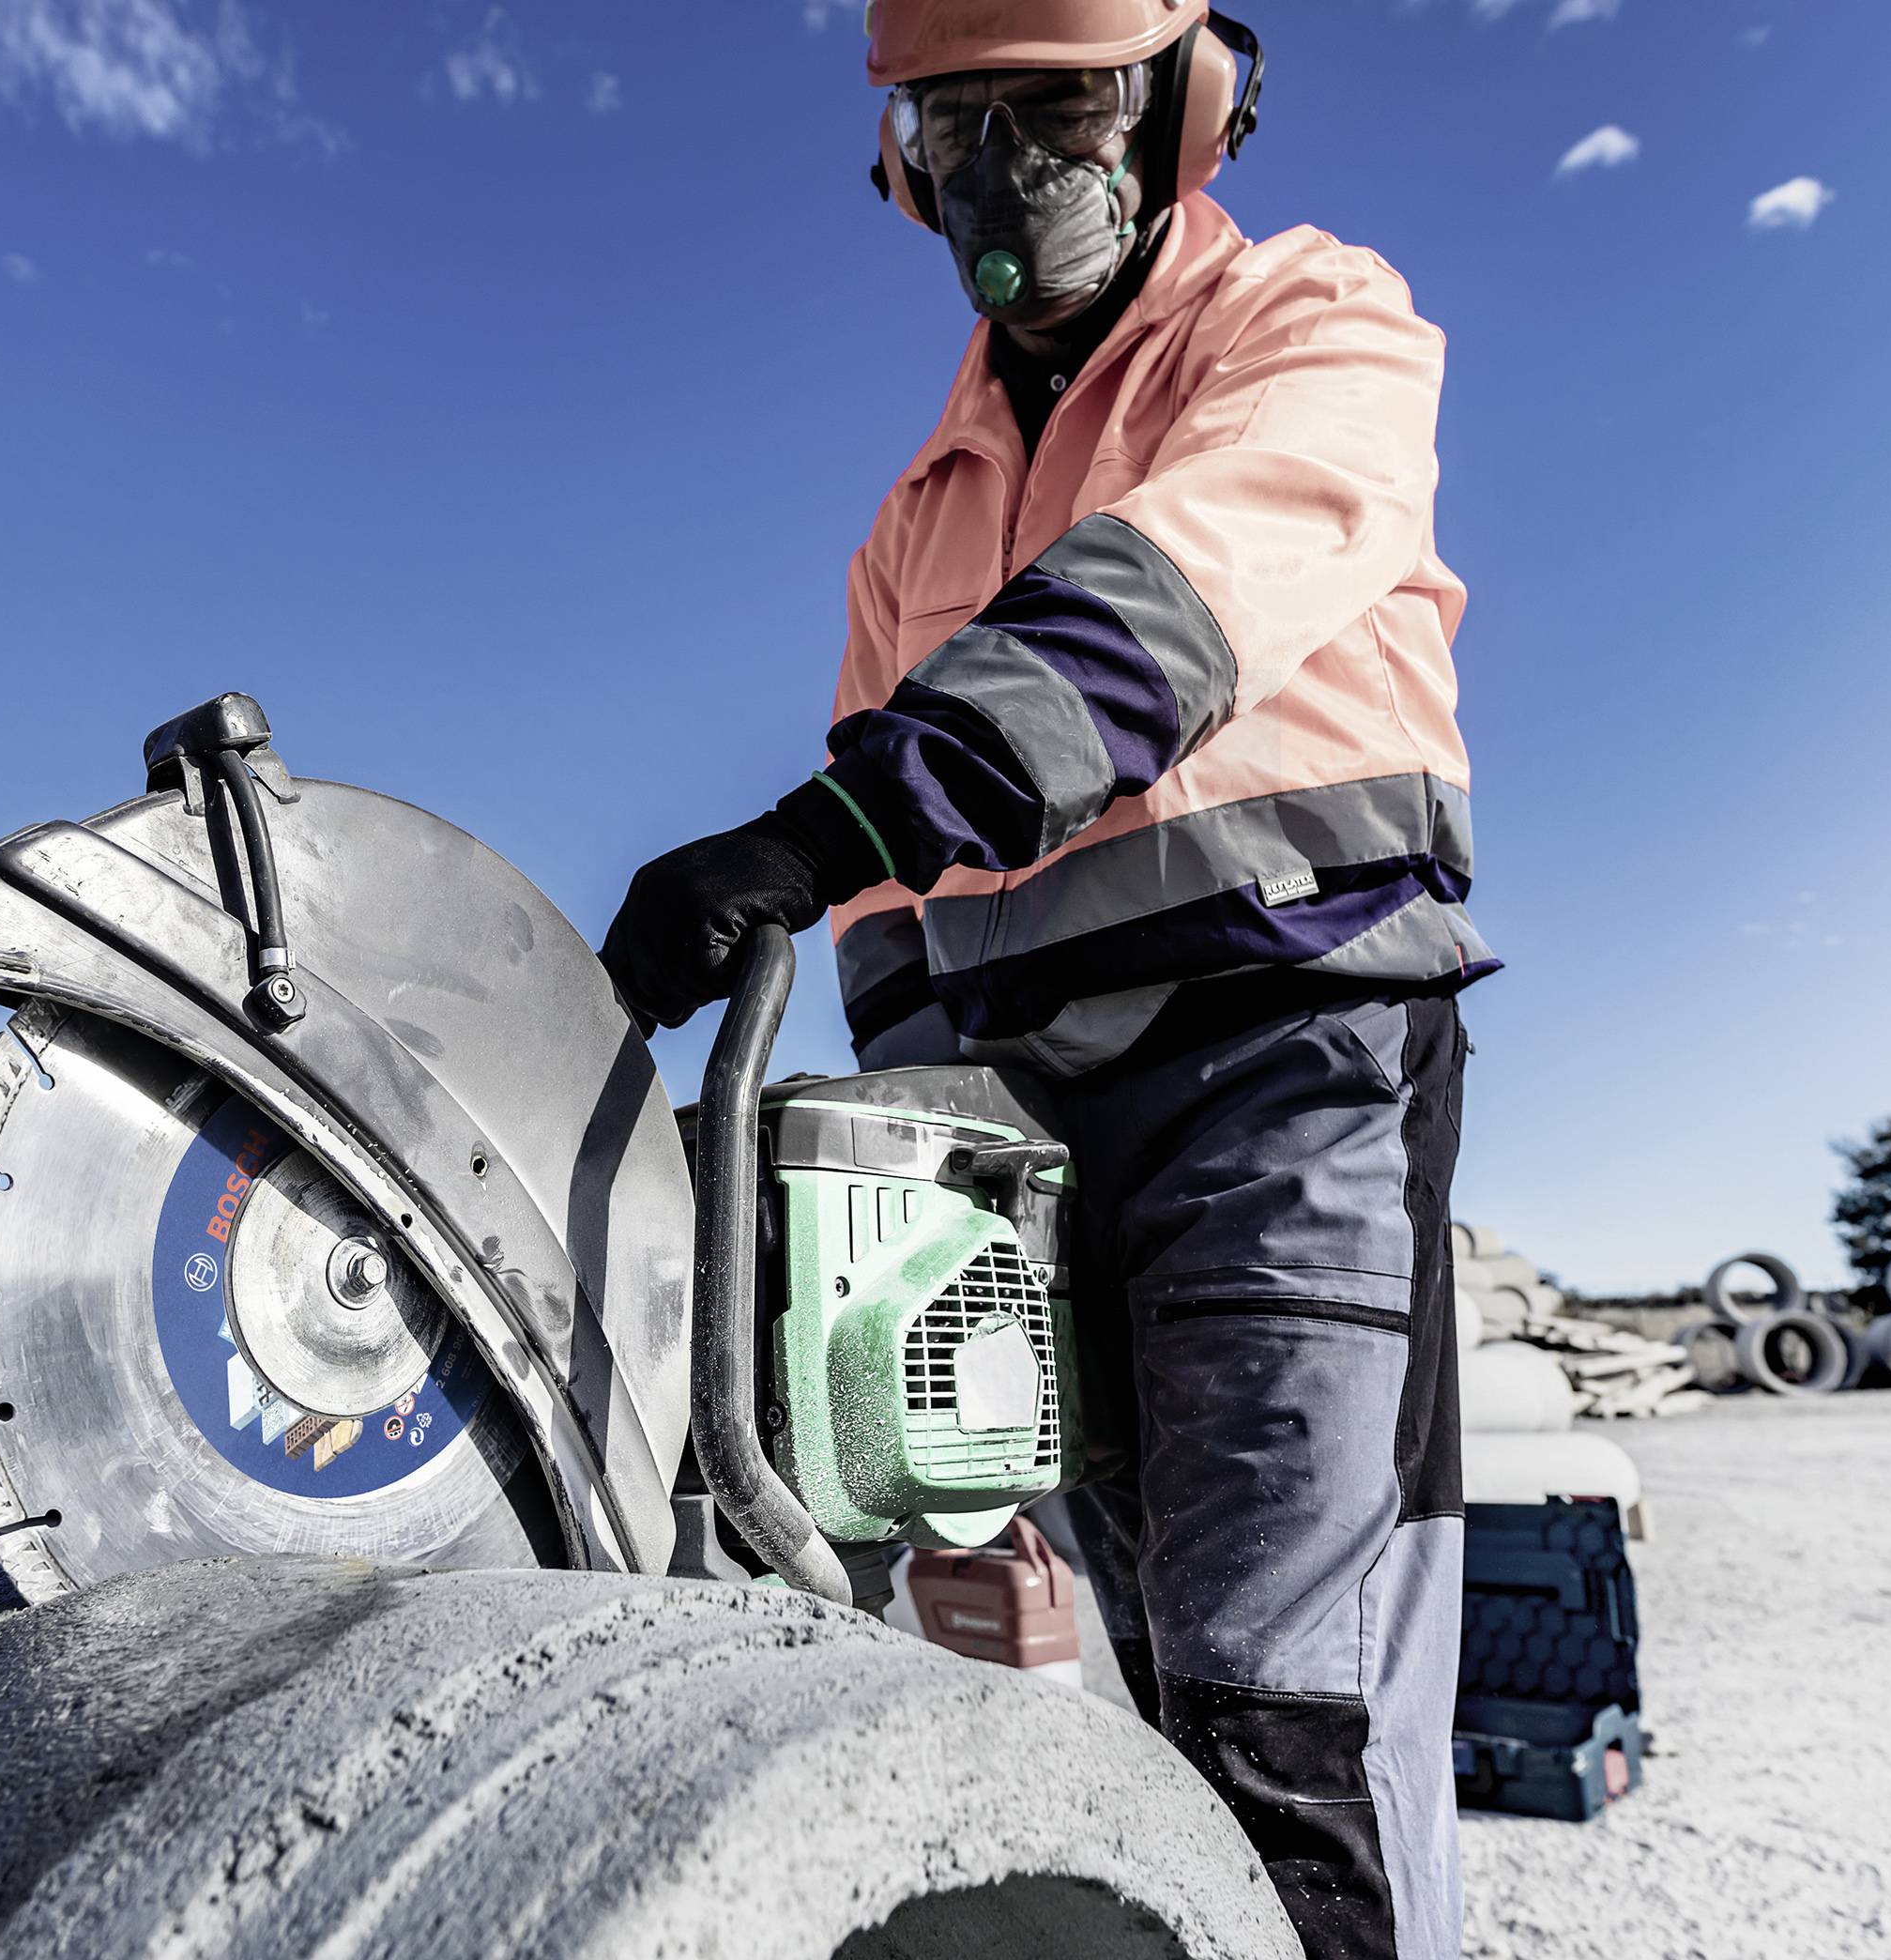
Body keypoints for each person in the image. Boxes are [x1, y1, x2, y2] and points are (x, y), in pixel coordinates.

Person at [600, 5, 1491, 1956]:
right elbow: (880, 934)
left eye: (1059, 106)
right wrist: (886, 1166)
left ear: (1187, 104)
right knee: (1112, 1695)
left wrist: (830, 826)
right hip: (1010, 1130)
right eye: (958, 120)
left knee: (1286, 1704)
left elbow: (1160, 615)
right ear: (902, 155)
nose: (1007, 170)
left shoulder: (1307, 333)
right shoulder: (914, 518)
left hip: (1280, 1070)